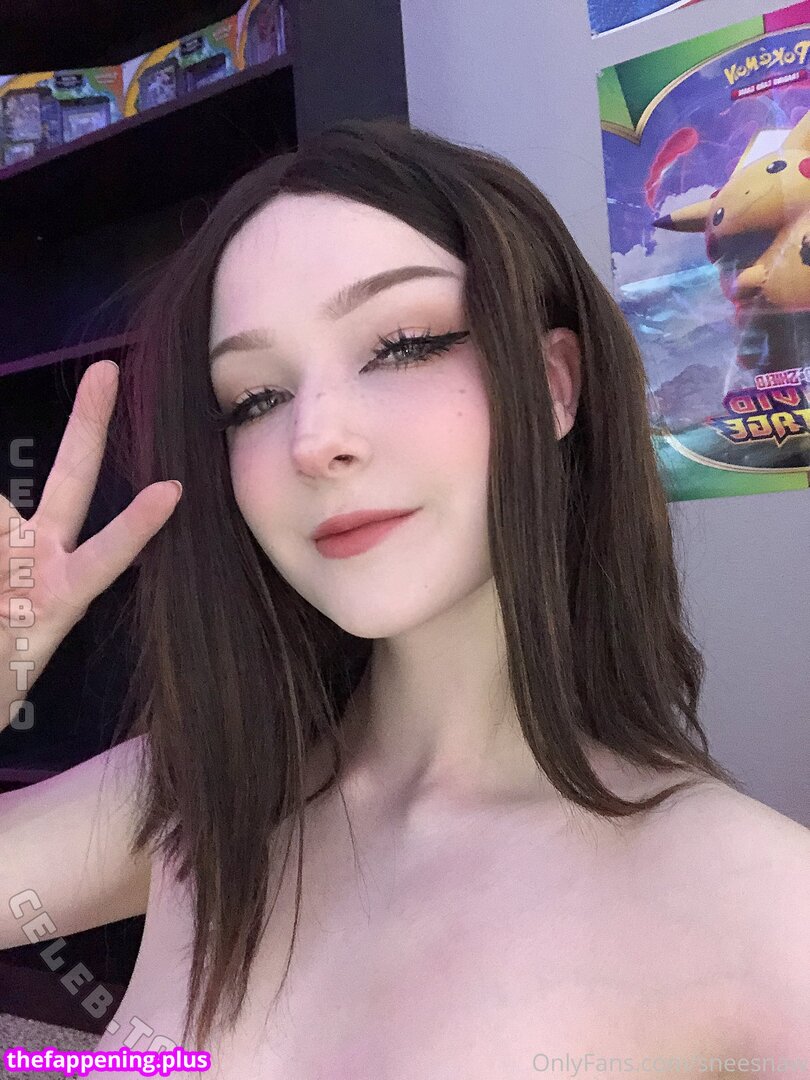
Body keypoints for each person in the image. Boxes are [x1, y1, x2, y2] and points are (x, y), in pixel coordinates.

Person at [1, 117, 807, 1079]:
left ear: (553, 384)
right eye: (254, 399)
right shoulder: (203, 796)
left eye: (402, 345)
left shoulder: (753, 906)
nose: (314, 440)